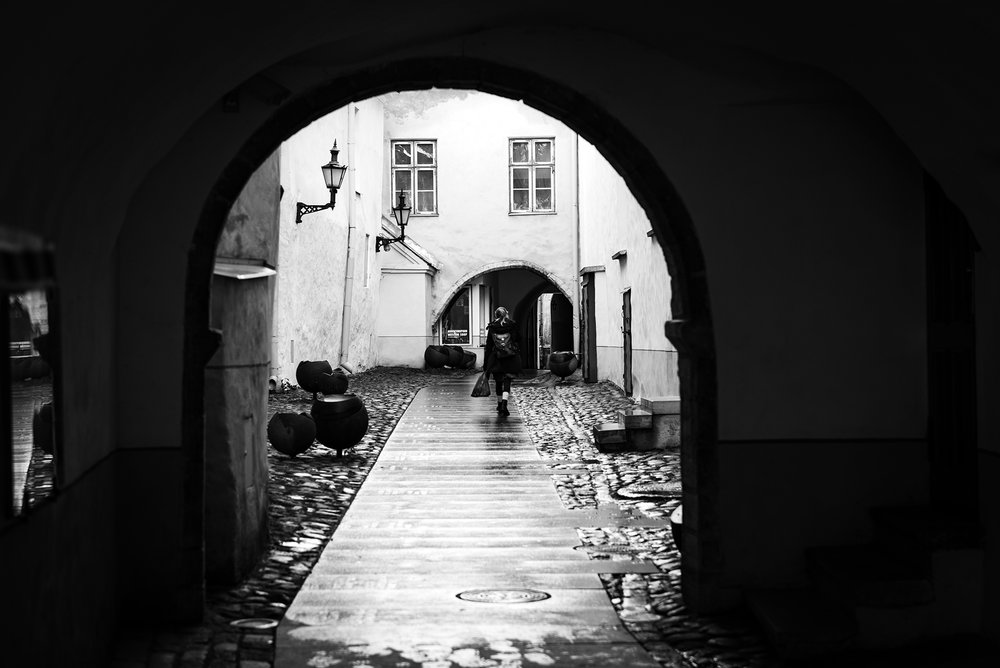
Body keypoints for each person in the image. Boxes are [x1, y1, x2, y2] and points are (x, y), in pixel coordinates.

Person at [483, 306, 522, 416]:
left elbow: (489, 345)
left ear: (496, 315)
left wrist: (486, 365)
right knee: (507, 380)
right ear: (506, 314)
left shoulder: (492, 327)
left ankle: (499, 404)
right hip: (510, 357)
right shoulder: (511, 325)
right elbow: (518, 339)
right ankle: (505, 405)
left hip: (496, 357)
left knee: (498, 381)